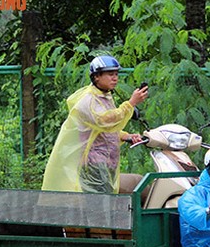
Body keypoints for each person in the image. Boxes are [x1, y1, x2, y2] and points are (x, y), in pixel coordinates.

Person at [42, 55, 148, 194]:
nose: (115, 78)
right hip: (94, 165)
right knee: (99, 207)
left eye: (116, 74)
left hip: (107, 163)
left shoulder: (104, 97)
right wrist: (131, 103)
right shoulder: (88, 100)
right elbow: (104, 121)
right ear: (97, 76)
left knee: (106, 204)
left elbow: (103, 132)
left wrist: (125, 136)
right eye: (110, 74)